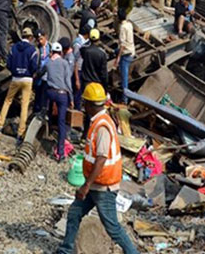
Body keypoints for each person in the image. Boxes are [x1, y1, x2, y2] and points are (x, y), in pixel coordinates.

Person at [57, 83, 138, 254]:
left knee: (113, 228)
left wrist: (86, 186)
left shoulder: (102, 126)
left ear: (89, 104)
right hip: (95, 184)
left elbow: (101, 159)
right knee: (74, 213)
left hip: (103, 187)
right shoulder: (99, 121)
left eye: (85, 103)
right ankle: (65, 250)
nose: (84, 106)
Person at [0, 28, 39, 144]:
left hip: (15, 78)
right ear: (31, 37)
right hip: (27, 79)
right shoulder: (32, 49)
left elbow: (8, 63)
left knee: (7, 101)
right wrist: (31, 73)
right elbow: (34, 65)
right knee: (24, 105)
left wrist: (15, 71)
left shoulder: (14, 48)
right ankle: (20, 133)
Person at [46, 42, 73, 162]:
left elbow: (41, 73)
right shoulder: (65, 63)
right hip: (62, 94)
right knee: (62, 122)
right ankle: (60, 152)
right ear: (61, 53)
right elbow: (68, 81)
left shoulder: (48, 63)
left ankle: (48, 129)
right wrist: (71, 98)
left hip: (51, 92)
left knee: (48, 111)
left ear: (51, 52)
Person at [114, 8, 134, 103]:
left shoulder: (122, 27)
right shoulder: (129, 24)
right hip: (131, 50)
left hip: (126, 53)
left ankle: (125, 99)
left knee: (124, 77)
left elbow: (122, 45)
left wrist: (117, 58)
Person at [72, 25, 91, 111]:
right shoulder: (78, 44)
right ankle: (76, 110)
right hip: (78, 70)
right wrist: (76, 79)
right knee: (77, 92)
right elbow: (75, 61)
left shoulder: (84, 42)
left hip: (82, 69)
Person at [33, 30, 51, 117]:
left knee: (45, 94)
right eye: (38, 40)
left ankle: (44, 111)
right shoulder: (37, 48)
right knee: (38, 93)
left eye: (41, 39)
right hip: (39, 74)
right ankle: (36, 110)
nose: (40, 41)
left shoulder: (50, 46)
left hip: (48, 74)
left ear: (45, 37)